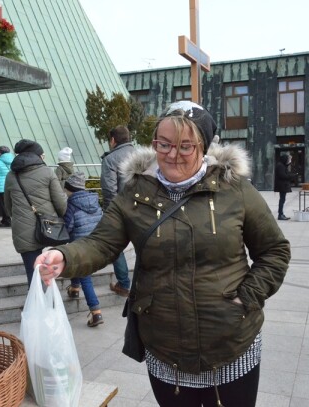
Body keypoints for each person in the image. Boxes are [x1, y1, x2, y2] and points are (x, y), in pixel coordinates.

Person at [36, 101, 291, 407]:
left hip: (232, 343)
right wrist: (64, 257)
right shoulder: (135, 193)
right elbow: (101, 243)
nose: (172, 154)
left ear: (204, 146)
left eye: (185, 146)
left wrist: (246, 298)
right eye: (164, 144)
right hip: (165, 346)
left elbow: (274, 250)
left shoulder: (234, 189)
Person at [4, 139, 67, 285]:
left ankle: (36, 304)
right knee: (49, 273)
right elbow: (62, 205)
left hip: (23, 231)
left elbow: (8, 207)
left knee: (33, 276)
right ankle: (51, 302)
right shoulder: (47, 172)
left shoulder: (11, 176)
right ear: (37, 156)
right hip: (50, 227)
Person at [63, 172, 104, 327]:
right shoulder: (94, 201)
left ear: (70, 189)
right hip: (94, 243)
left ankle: (96, 312)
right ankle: (74, 288)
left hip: (79, 244)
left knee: (85, 275)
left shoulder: (71, 204)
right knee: (79, 267)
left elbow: (69, 226)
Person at [100, 125, 134, 297]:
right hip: (144, 209)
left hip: (120, 210)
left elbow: (109, 190)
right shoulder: (142, 154)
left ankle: (123, 284)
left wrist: (109, 214)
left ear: (113, 140)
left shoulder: (110, 159)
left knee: (116, 247)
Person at [274, 153, 296, 220]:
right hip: (282, 186)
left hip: (283, 185)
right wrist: (292, 176)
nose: (289, 161)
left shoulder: (283, 165)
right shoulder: (280, 166)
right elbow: (283, 176)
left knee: (282, 199)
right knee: (282, 200)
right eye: (289, 159)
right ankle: (280, 214)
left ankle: (281, 213)